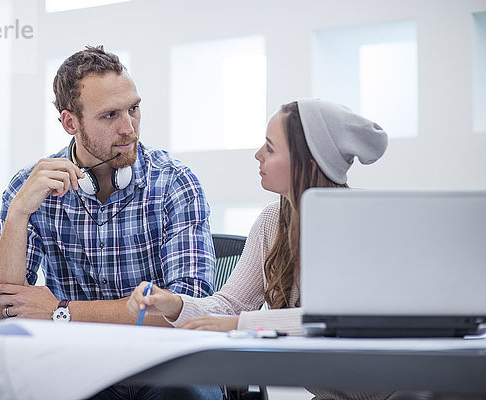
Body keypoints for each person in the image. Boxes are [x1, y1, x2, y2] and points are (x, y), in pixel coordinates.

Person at [0, 45, 221, 400]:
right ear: (70, 122)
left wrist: (61, 312)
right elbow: (0, 311)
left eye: (134, 109)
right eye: (110, 116)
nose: (129, 128)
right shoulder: (30, 188)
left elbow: (189, 308)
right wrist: (18, 214)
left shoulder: (174, 182)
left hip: (168, 364)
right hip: (79, 366)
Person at [128, 98, 396, 400]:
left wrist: (238, 325)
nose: (258, 155)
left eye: (270, 148)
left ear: (308, 162)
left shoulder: (365, 223)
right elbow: (230, 305)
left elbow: (335, 321)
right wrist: (174, 304)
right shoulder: (272, 220)